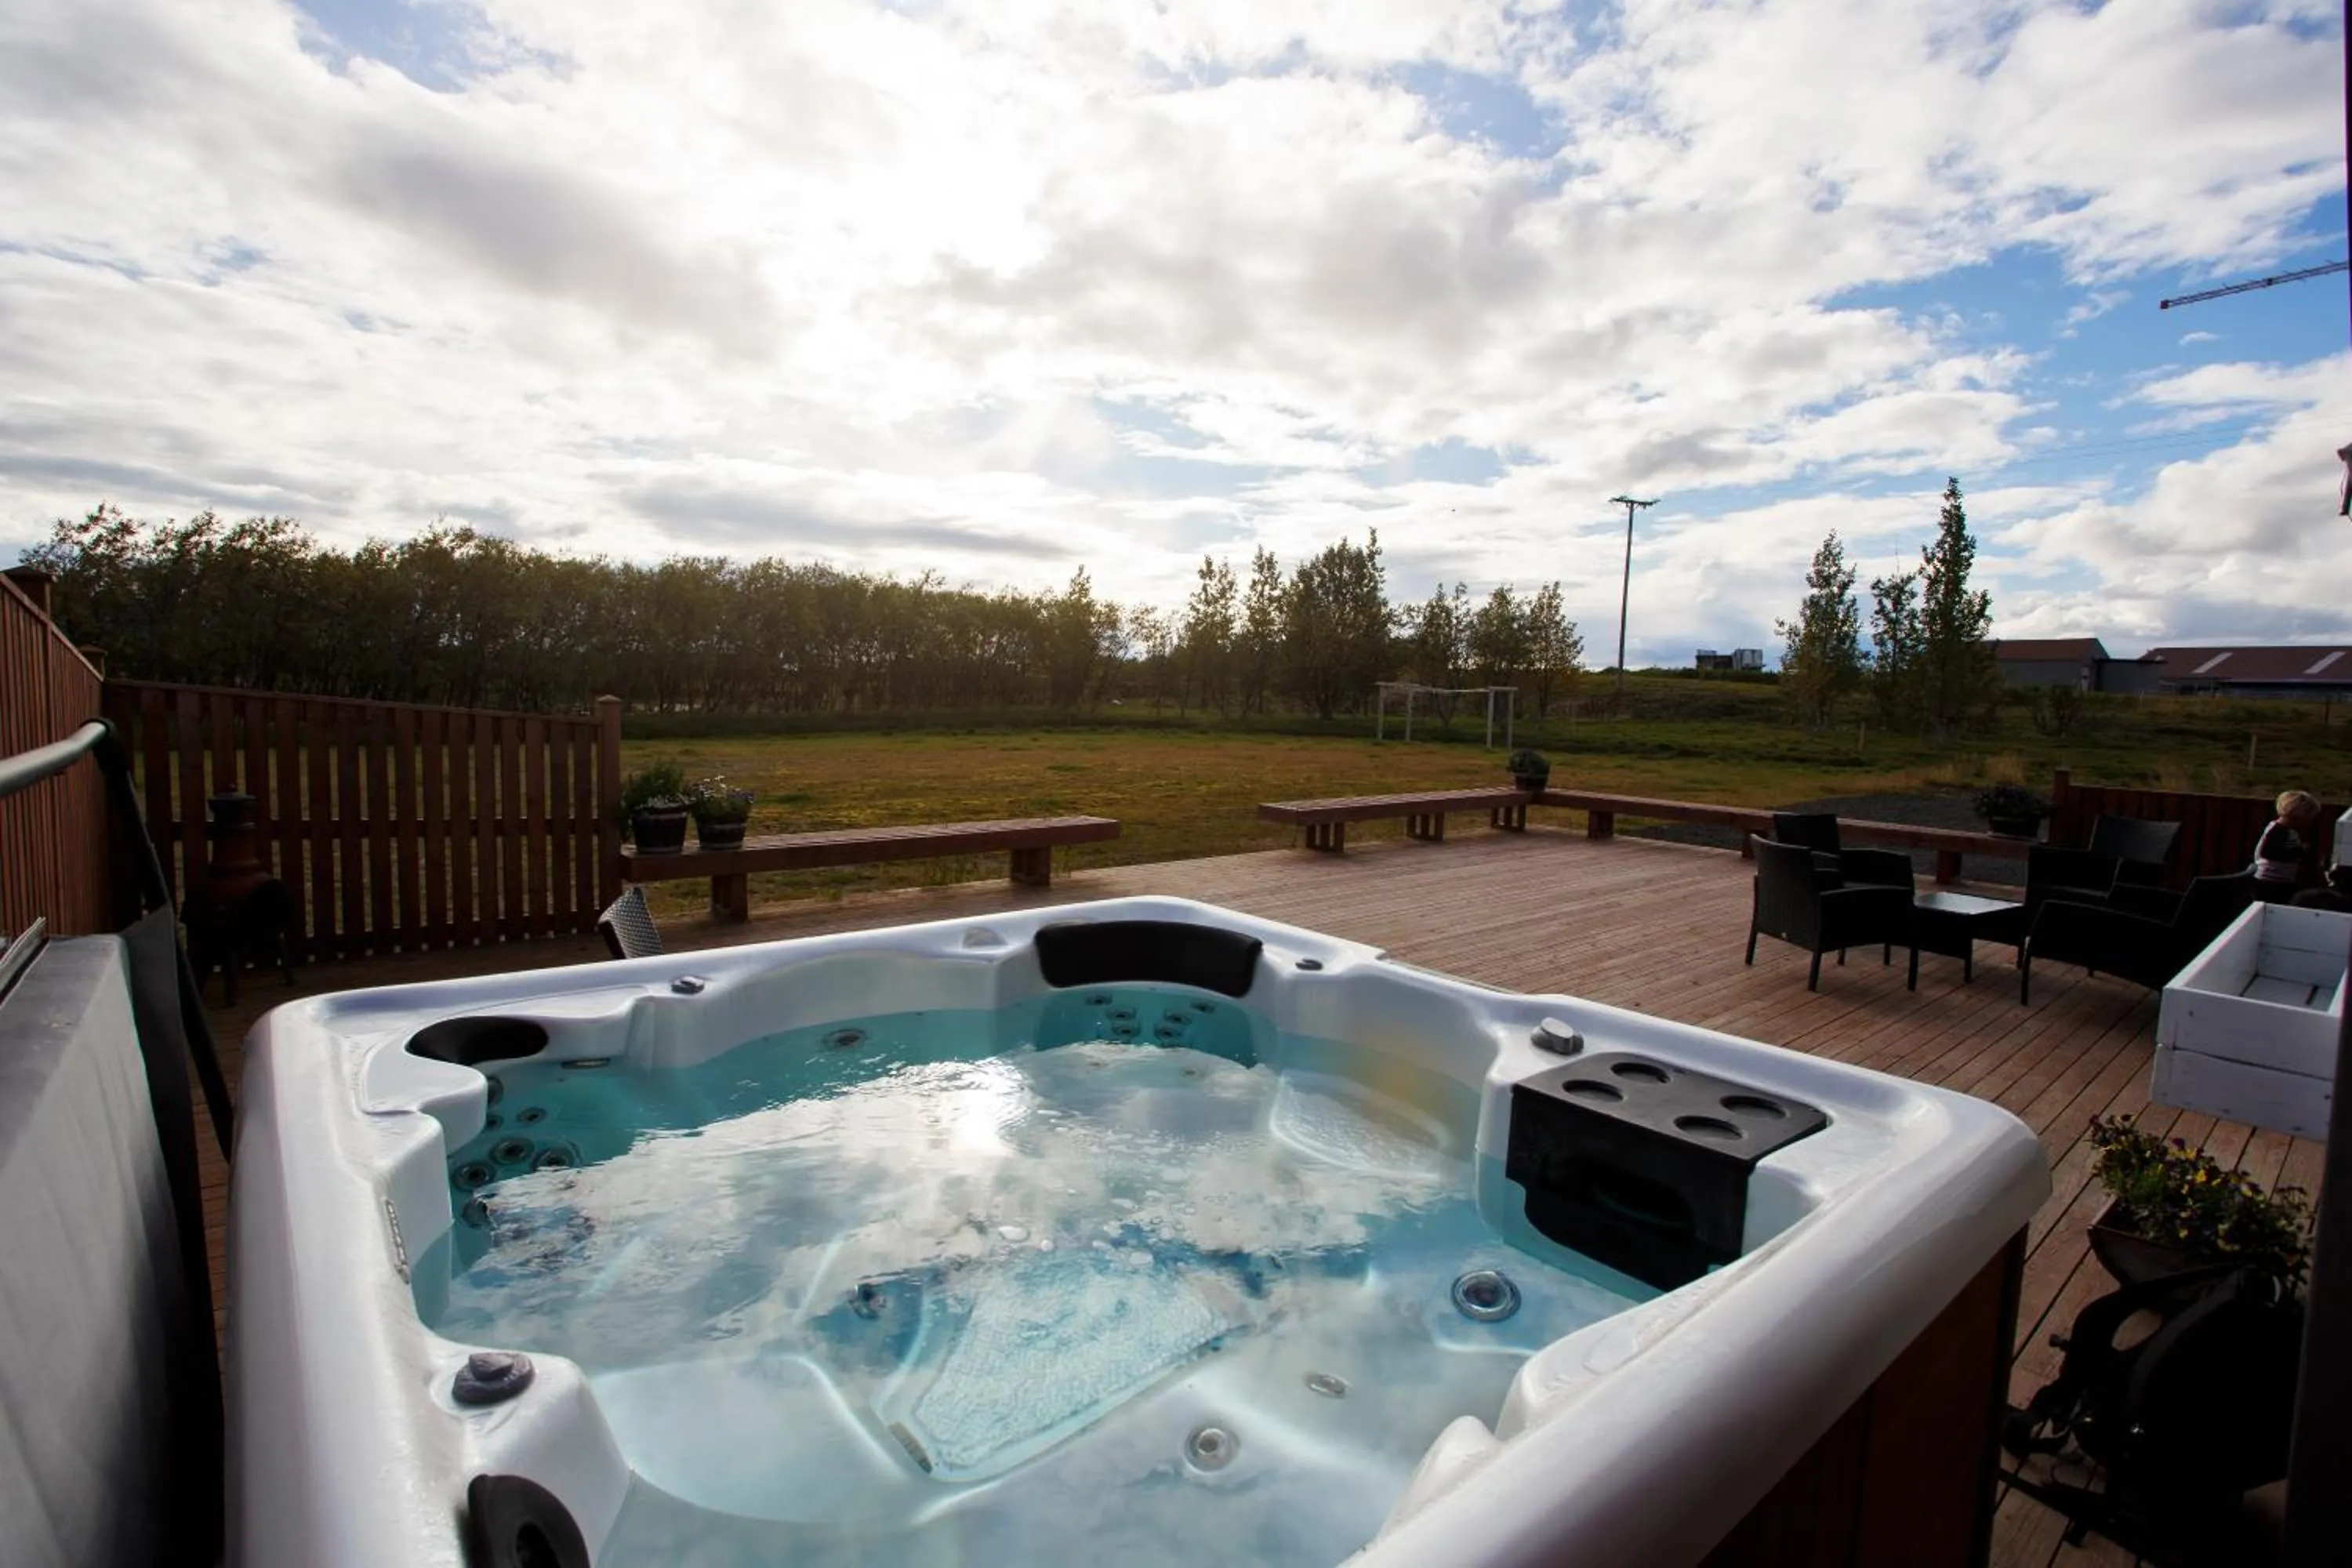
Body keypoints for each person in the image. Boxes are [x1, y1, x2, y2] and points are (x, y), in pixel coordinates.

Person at [2252, 790, 2321, 901]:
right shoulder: (2279, 831)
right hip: (2270, 883)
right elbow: (2268, 853)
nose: (2309, 822)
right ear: (2299, 816)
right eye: (2309, 818)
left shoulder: (2286, 830)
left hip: (2281, 880)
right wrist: (2300, 851)